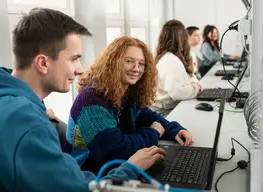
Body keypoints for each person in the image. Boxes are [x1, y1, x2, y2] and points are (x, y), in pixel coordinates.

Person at [0, 8, 166, 192]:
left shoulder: (3, 98)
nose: (80, 69)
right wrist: (131, 167)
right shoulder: (23, 120)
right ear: (43, 63)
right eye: (73, 59)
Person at [64, 36, 193, 174]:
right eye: (128, 61)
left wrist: (174, 130)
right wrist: (153, 133)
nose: (136, 68)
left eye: (141, 64)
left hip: (117, 169)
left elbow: (149, 117)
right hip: (88, 175)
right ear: (113, 62)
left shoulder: (126, 93)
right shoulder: (91, 100)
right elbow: (115, 151)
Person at [151, 20, 202, 117]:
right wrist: (196, 88)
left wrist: (194, 82)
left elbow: (189, 76)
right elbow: (177, 92)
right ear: (182, 38)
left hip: (166, 110)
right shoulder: (170, 60)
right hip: (165, 114)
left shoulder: (169, 57)